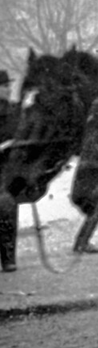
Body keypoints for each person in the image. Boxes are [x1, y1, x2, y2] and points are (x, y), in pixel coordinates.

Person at [0, 70, 18, 272]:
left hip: (8, 169)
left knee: (8, 212)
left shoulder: (14, 110)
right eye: (5, 86)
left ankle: (8, 259)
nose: (9, 89)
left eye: (9, 85)